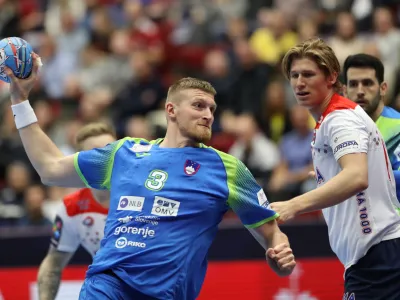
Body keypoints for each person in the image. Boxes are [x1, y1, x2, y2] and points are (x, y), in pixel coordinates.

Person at [5, 55, 296, 300]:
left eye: (211, 109)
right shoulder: (125, 153)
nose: (208, 114)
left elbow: (270, 231)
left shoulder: (228, 168)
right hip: (107, 285)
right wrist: (20, 100)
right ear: (171, 110)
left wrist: (280, 256)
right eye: (198, 105)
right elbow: (51, 168)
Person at [270, 38, 400, 299]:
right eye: (294, 75)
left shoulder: (339, 119)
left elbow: (356, 176)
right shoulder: (332, 119)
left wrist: (292, 205)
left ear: (331, 77)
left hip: (378, 257)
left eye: (308, 74)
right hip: (371, 258)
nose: (299, 83)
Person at [37, 122, 116, 300]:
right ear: (81, 161)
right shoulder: (72, 208)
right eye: (97, 152)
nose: (107, 158)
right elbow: (53, 264)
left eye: (111, 150)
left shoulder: (144, 193)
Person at [342, 53, 400, 205]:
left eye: (367, 83)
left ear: (383, 88)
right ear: (344, 91)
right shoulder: (340, 130)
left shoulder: (397, 128)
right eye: (353, 84)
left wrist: (348, 178)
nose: (360, 91)